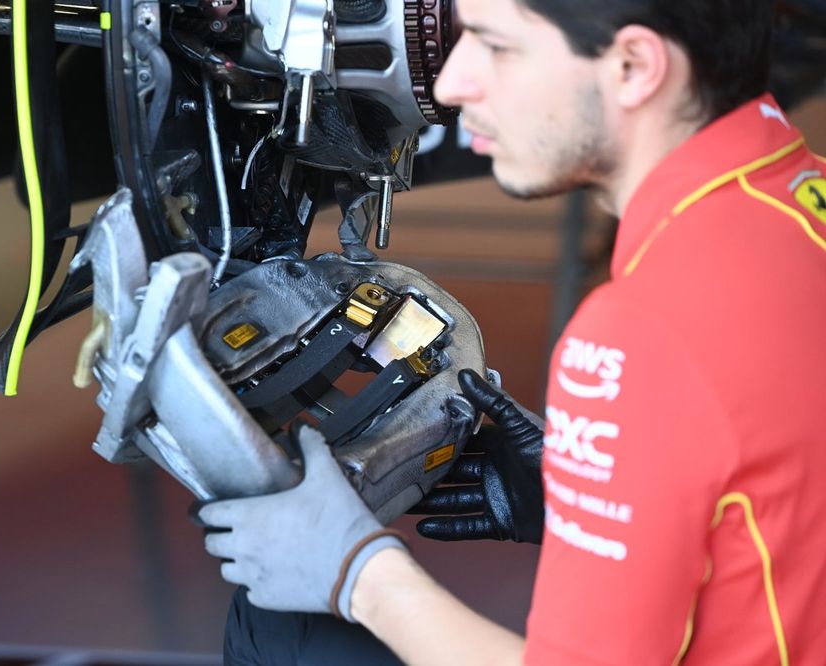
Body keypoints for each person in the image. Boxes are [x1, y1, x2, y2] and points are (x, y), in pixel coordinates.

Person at [199, 0, 826, 663]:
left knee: (281, 624)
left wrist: (359, 573)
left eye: (496, 46)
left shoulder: (638, 336)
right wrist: (621, 484)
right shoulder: (798, 198)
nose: (451, 84)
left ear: (635, 66)